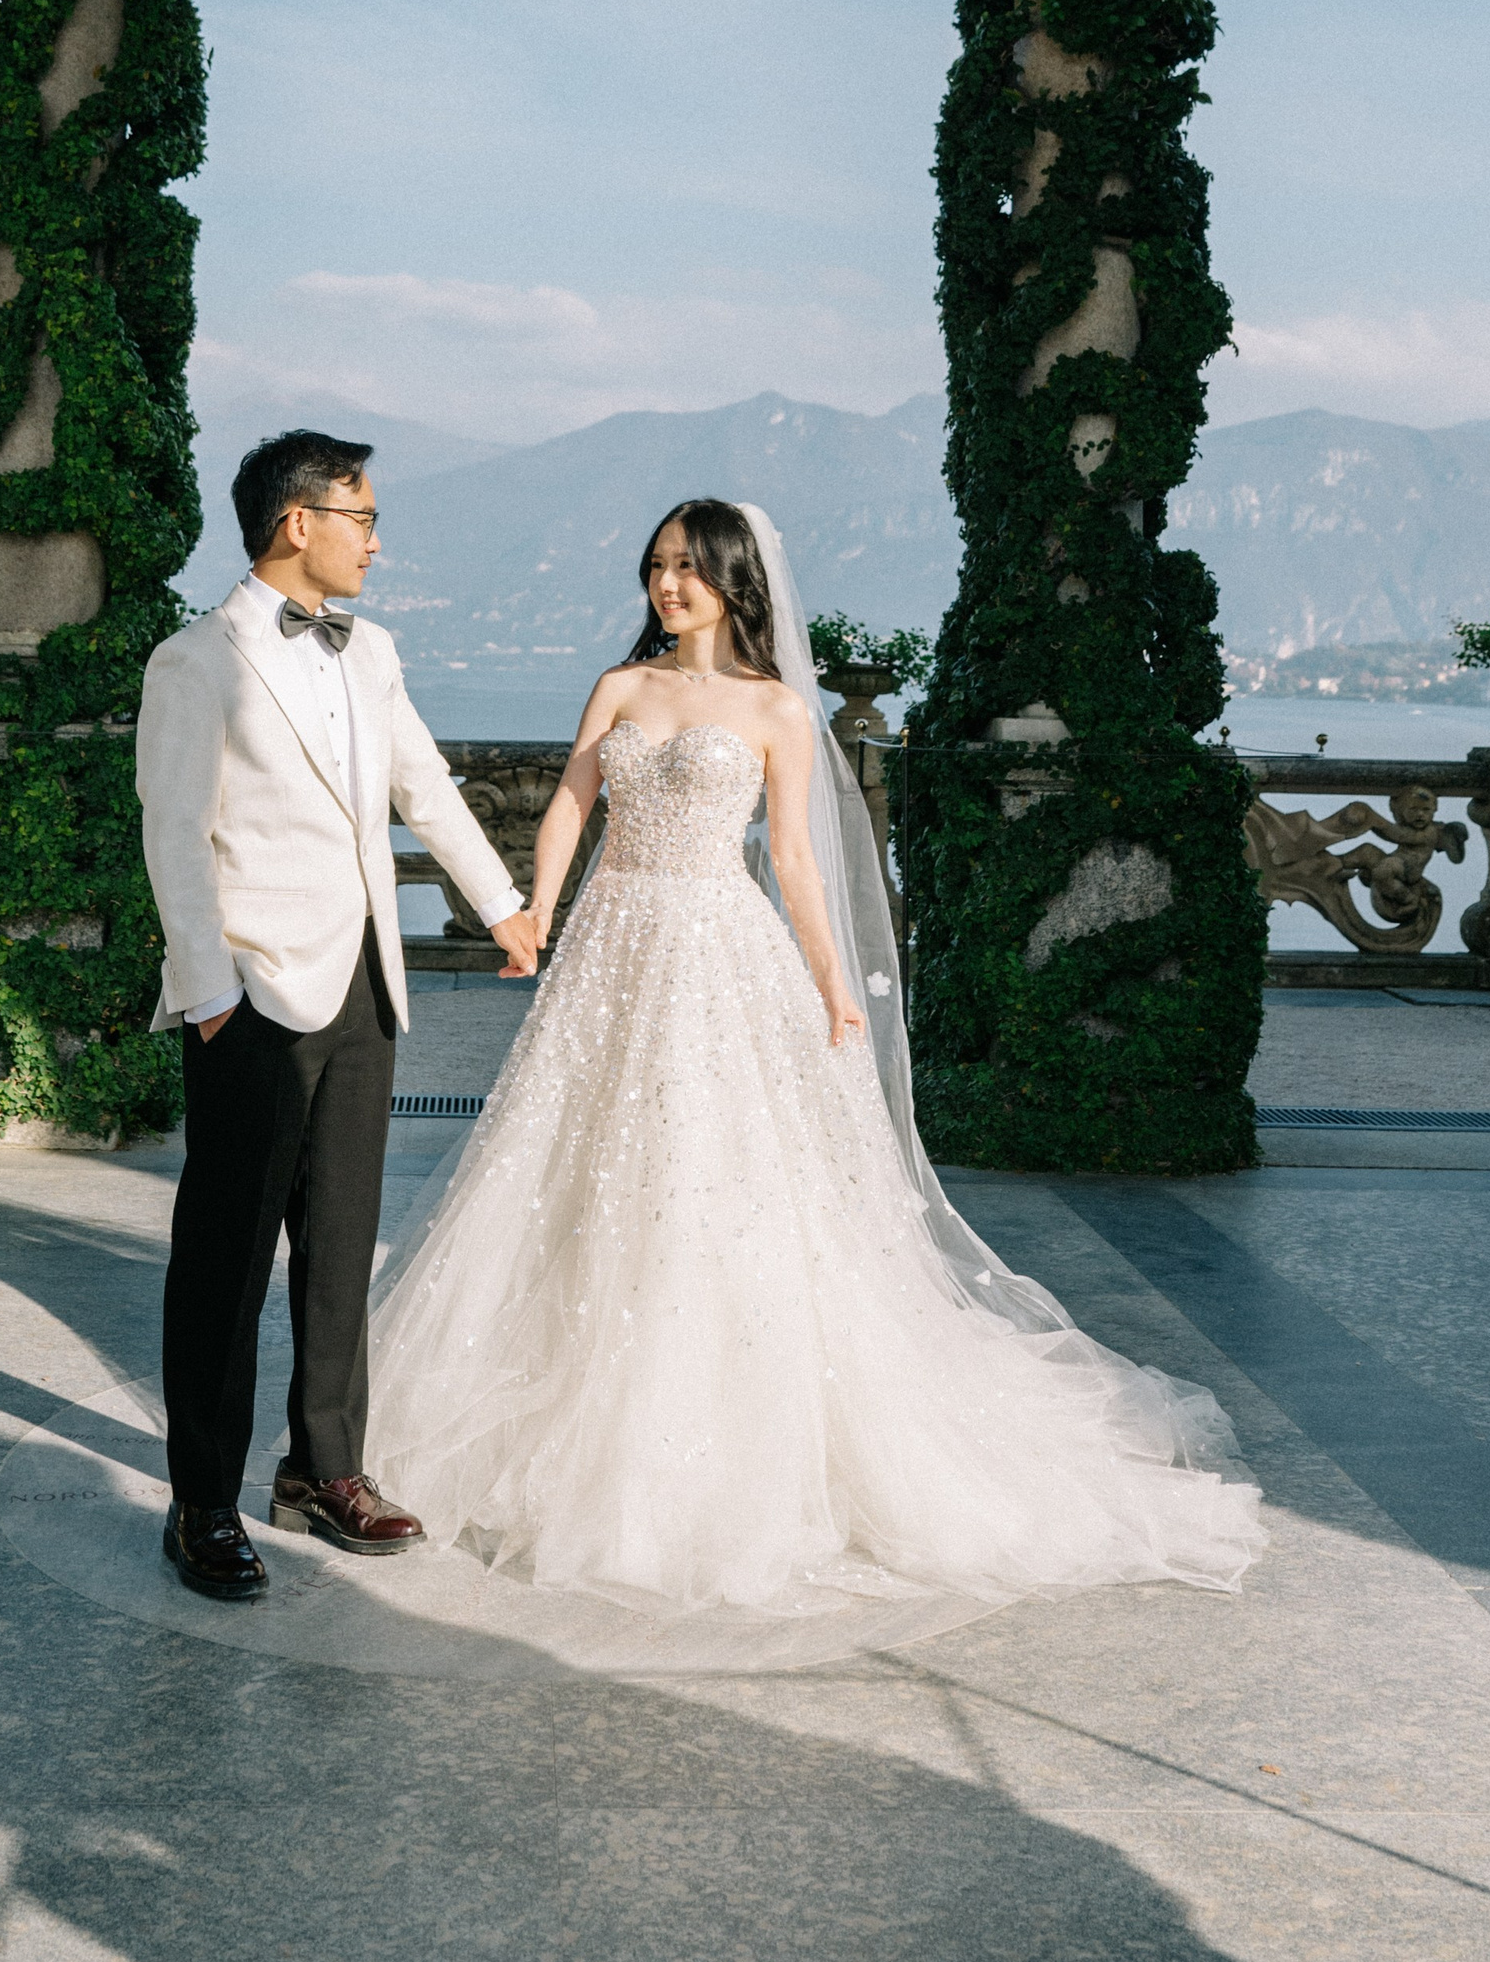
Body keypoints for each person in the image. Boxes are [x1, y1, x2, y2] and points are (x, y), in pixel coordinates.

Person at [364, 496, 1267, 1615]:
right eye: (656, 565)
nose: (668, 585)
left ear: (734, 580)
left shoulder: (777, 708)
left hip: (716, 942)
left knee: (711, 1167)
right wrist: (538, 908)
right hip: (611, 943)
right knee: (578, 1160)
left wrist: (833, 980)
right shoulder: (620, 686)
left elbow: (792, 854)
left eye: (690, 567)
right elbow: (570, 803)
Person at [135, 429, 537, 1603]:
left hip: (364, 980)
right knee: (225, 1256)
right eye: (361, 517)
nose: (375, 540)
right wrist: (211, 994)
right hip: (252, 992)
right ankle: (202, 1501)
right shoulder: (194, 661)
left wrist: (503, 905)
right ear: (297, 521)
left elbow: (425, 787)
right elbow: (175, 837)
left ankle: (322, 1468)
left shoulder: (374, 650)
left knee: (341, 1244)